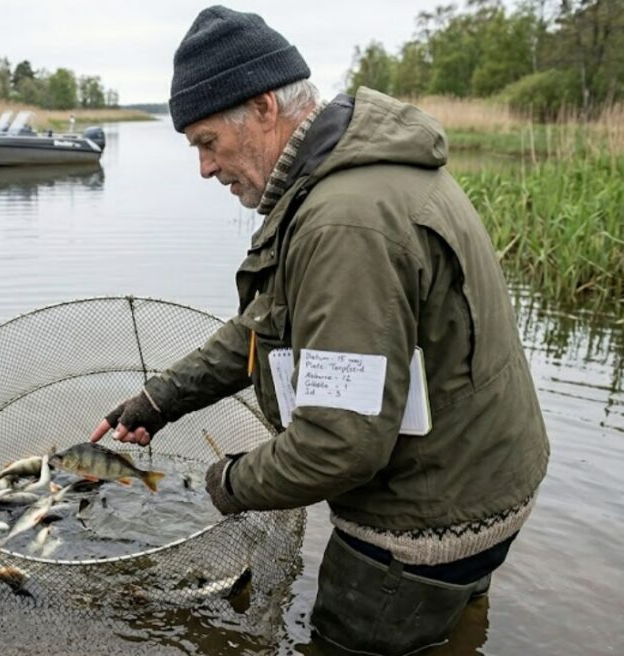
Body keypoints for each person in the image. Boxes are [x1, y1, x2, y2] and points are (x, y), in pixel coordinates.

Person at [89, 6, 549, 655]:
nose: (203, 169)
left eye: (207, 142)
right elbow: (262, 326)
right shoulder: (346, 178)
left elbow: (340, 445)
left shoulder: (345, 225)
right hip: (481, 481)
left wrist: (225, 483)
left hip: (424, 527)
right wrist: (160, 400)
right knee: (453, 634)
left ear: (263, 110)